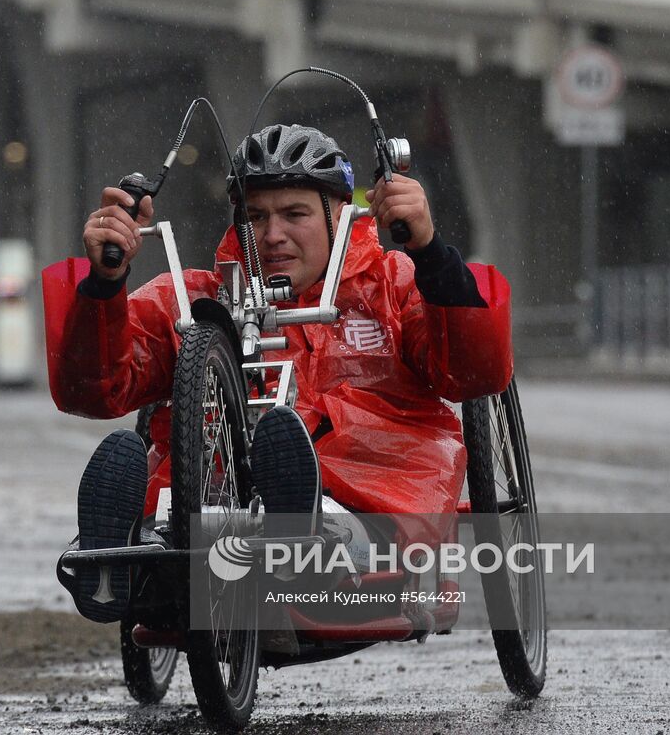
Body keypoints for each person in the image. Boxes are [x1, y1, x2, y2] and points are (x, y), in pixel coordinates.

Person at [42, 124, 512, 622]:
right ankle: (123, 559)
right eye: (256, 216)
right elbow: (94, 390)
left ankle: (301, 540)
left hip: (371, 496)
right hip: (216, 502)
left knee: (317, 505)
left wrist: (431, 253)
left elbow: (472, 372)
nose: (271, 235)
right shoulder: (196, 300)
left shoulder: (394, 284)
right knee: (177, 513)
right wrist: (104, 283)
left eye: (294, 214)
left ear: (339, 216)